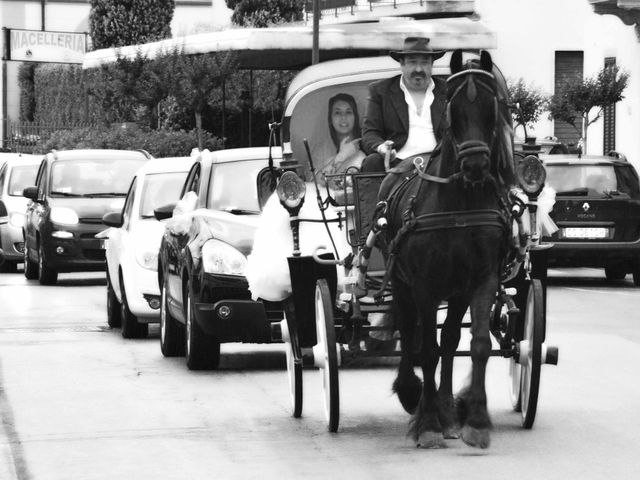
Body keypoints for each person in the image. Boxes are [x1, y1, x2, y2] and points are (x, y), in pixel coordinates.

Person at [246, 94, 364, 302]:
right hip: (328, 204)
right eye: (337, 113)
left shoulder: (364, 146)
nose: (343, 119)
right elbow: (316, 179)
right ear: (330, 118)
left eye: (348, 112)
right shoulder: (321, 148)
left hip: (359, 204)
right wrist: (342, 156)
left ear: (355, 116)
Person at [360, 36, 447, 172]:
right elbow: (369, 134)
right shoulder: (380, 91)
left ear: (432, 64)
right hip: (397, 167)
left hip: (440, 166)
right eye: (412, 62)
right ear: (402, 63)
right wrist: (382, 148)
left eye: (424, 63)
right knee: (372, 162)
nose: (419, 69)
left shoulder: (448, 91)